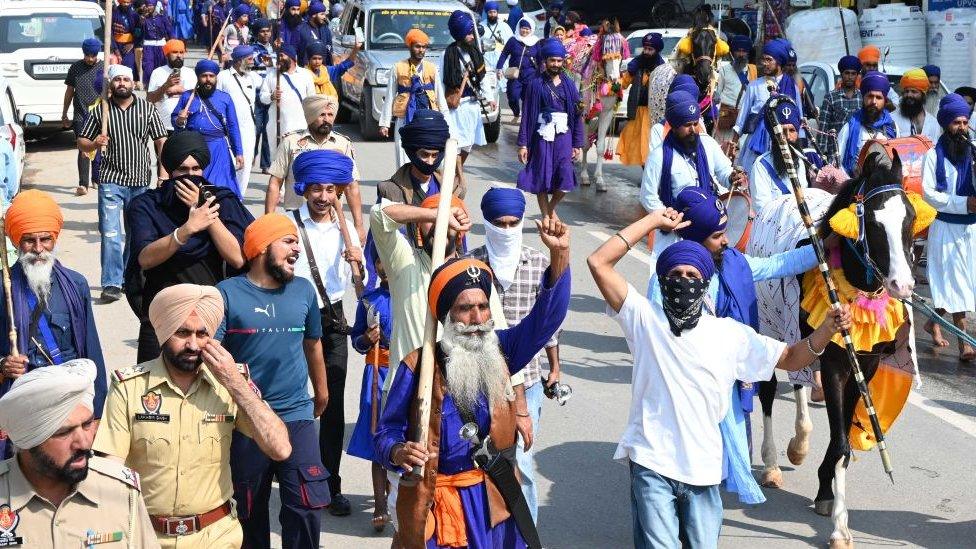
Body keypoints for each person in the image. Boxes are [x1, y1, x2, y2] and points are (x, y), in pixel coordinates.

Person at [589, 220, 850, 548]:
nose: (683, 282)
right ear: (663, 281)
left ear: (705, 284)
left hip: (703, 471)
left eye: (692, 277)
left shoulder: (729, 334)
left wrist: (827, 329)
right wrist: (654, 220)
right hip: (651, 464)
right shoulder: (645, 320)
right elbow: (599, 262)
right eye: (675, 276)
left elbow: (791, 357)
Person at [376, 216, 571, 548]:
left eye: (483, 307)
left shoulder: (503, 350)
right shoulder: (419, 365)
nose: (478, 318)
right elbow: (385, 433)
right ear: (447, 315)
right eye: (465, 309)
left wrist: (560, 256)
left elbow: (548, 318)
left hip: (494, 498)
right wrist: (397, 450)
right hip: (437, 504)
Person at [93, 284, 291, 547]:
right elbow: (110, 471)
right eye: (183, 332)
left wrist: (235, 382)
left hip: (216, 537)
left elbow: (280, 448)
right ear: (164, 333)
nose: (193, 344)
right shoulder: (129, 387)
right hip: (146, 536)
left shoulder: (231, 383)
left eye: (202, 334)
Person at [217, 213, 332, 547]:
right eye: (289, 240)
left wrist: (322, 392)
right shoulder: (227, 293)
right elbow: (213, 353)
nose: (296, 248)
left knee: (306, 505)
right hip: (246, 420)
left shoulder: (304, 291)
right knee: (248, 508)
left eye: (297, 241)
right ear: (260, 248)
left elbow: (313, 343)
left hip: (296, 414)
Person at [466, 187, 563, 524]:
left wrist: (555, 366)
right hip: (478, 381)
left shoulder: (537, 263)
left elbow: (549, 320)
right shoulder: (471, 265)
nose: (506, 230)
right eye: (499, 223)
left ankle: (526, 536)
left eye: (513, 223)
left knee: (521, 463)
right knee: (478, 462)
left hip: (529, 379)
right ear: (487, 223)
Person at [0, 359, 160, 547]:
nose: (84, 443)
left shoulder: (121, 491)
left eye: (87, 425)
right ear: (28, 439)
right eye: (64, 432)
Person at [126, 131, 252, 362]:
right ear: (171, 171)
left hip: (209, 316)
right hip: (162, 316)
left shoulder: (222, 200)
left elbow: (237, 258)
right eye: (183, 171)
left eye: (196, 170)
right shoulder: (148, 205)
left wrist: (206, 213)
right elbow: (144, 258)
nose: (190, 176)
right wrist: (186, 230)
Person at [0, 190, 108, 458]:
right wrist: (2, 365)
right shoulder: (3, 290)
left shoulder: (76, 285)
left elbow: (91, 354)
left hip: (70, 405)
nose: (38, 249)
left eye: (45, 239)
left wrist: (96, 416)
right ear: (16, 242)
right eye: (28, 241)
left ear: (55, 238)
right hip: (25, 408)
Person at [289, 150, 363, 517]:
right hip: (294, 319)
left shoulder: (346, 231)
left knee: (331, 405)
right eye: (316, 188)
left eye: (330, 189)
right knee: (294, 401)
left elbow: (362, 288)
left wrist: (357, 263)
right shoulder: (287, 224)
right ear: (304, 189)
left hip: (333, 321)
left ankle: (330, 484)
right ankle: (293, 474)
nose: (322, 196)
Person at [77, 64, 168, 303]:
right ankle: (111, 283)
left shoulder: (148, 110)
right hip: (110, 180)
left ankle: (129, 277)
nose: (122, 84)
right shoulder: (101, 112)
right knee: (111, 232)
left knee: (135, 233)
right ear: (110, 83)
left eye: (125, 80)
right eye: (116, 80)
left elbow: (161, 142)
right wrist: (95, 143)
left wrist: (164, 172)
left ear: (133, 83)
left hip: (140, 181)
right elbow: (82, 142)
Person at [641, 91, 746, 257]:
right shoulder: (659, 156)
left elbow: (724, 172)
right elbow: (647, 196)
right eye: (687, 125)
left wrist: (732, 177)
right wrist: (668, 217)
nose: (693, 130)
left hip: (708, 231)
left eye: (695, 123)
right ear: (674, 126)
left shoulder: (708, 144)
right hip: (676, 234)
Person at [921, 94, 976, 361]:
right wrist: (963, 203)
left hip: (971, 230)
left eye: (965, 122)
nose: (962, 127)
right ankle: (964, 342)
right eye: (957, 122)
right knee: (956, 285)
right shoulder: (932, 156)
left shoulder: (973, 151)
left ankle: (933, 322)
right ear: (946, 124)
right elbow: (929, 195)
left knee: (964, 284)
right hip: (946, 228)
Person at [266, 95, 366, 239]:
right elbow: (275, 183)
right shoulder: (291, 142)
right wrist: (269, 221)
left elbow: (351, 186)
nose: (326, 119)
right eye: (321, 115)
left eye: (330, 115)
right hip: (297, 217)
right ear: (310, 116)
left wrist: (359, 225)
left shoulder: (343, 144)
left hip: (331, 219)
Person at [347, 251, 392, 531]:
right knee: (378, 435)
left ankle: (401, 496)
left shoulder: (415, 293)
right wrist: (366, 337)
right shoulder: (368, 300)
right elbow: (356, 341)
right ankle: (379, 503)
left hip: (405, 373)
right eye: (380, 260)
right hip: (376, 371)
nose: (385, 265)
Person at [516, 38, 583, 218]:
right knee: (541, 176)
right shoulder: (535, 84)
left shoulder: (569, 85)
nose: (555, 64)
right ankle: (546, 217)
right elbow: (527, 115)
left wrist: (577, 144)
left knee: (565, 177)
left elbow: (577, 115)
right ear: (545, 61)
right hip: (541, 135)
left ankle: (550, 209)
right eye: (552, 60)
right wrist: (523, 144)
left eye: (559, 61)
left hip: (563, 135)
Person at [728, 38, 803, 173]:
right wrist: (733, 144)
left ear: (779, 62)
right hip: (758, 143)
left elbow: (799, 119)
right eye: (763, 59)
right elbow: (741, 119)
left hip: (784, 142)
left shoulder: (792, 86)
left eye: (769, 60)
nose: (764, 64)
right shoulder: (754, 86)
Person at [173, 60, 245, 197]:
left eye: (211, 76)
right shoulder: (187, 97)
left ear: (216, 78)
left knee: (220, 188)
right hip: (195, 149)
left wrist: (239, 152)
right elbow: (176, 121)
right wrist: (180, 120)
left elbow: (233, 126)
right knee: (196, 188)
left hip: (219, 149)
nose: (208, 80)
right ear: (198, 78)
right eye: (204, 76)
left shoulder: (225, 98)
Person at [379, 29, 448, 168]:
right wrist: (384, 123)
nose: (421, 50)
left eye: (423, 47)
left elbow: (440, 96)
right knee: (403, 152)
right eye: (417, 46)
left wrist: (446, 122)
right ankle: (404, 183)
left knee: (426, 152)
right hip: (405, 117)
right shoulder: (397, 67)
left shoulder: (432, 68)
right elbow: (390, 96)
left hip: (427, 118)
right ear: (410, 47)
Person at [443, 10, 494, 166]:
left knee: (469, 144)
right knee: (456, 144)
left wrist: (490, 98)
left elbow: (482, 77)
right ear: (460, 34)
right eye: (469, 33)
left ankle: (457, 174)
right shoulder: (448, 54)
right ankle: (456, 176)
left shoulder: (474, 53)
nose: (473, 37)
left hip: (473, 106)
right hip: (456, 109)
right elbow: (442, 82)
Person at [749, 100, 813, 212]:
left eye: (792, 130)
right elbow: (762, 209)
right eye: (783, 131)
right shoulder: (761, 166)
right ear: (774, 135)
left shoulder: (802, 161)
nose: (788, 137)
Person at [217, 45, 262, 197]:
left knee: (246, 165)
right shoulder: (223, 77)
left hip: (248, 129)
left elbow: (269, 82)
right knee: (229, 164)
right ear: (239, 60)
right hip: (227, 128)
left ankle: (238, 199)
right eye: (249, 59)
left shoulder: (253, 77)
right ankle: (226, 197)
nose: (252, 62)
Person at [62, 38, 103, 196]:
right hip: (80, 114)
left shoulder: (103, 67)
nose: (90, 58)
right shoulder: (75, 68)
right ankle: (83, 184)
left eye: (93, 55)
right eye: (87, 55)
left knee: (99, 147)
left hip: (99, 114)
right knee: (83, 148)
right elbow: (69, 92)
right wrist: (64, 113)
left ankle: (97, 178)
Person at [617, 33, 666, 168]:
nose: (647, 52)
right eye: (645, 49)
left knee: (649, 144)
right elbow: (623, 83)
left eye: (650, 50)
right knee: (635, 144)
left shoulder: (662, 69)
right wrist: (612, 87)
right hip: (637, 112)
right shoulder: (635, 66)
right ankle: (647, 172)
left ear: (657, 51)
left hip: (653, 113)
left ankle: (650, 173)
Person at [837, 71, 898, 176]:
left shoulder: (892, 127)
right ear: (863, 98)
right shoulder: (849, 128)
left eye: (878, 98)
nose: (873, 101)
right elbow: (839, 165)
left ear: (885, 101)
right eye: (870, 96)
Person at [259, 45, 316, 143]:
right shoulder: (272, 75)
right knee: (276, 157)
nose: (279, 59)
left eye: (281, 55)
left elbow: (312, 100)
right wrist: (271, 96)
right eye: (278, 56)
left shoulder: (305, 75)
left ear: (292, 58)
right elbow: (262, 97)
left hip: (299, 126)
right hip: (276, 128)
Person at [815, 55, 862, 159]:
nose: (850, 77)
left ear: (857, 75)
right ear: (841, 74)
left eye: (853, 74)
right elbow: (823, 128)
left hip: (857, 152)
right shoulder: (831, 97)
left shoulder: (862, 97)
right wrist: (820, 156)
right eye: (847, 73)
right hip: (836, 152)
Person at [147, 39, 198, 135]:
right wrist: (166, 86)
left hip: (186, 126)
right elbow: (150, 100)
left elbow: (197, 99)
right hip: (163, 127)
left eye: (181, 52)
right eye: (174, 52)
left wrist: (182, 91)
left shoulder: (190, 73)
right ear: (167, 54)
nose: (179, 55)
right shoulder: (158, 72)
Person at [495, 18, 540, 125]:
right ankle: (516, 112)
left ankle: (525, 120)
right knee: (512, 96)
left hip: (530, 74)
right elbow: (504, 54)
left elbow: (540, 57)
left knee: (527, 99)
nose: (524, 31)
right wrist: (499, 68)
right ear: (519, 28)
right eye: (523, 28)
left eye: (527, 29)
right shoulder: (513, 40)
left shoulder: (535, 42)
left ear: (531, 30)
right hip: (514, 74)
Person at [714, 35, 756, 144]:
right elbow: (717, 94)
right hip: (727, 116)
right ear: (733, 52)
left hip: (744, 117)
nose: (741, 54)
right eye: (738, 51)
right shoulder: (724, 70)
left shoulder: (753, 70)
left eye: (744, 51)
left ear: (748, 52)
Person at [252, 18, 276, 174]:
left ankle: (266, 164)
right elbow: (258, 62)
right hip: (257, 93)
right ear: (257, 33)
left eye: (268, 30)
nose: (265, 34)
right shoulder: (252, 49)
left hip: (271, 93)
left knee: (268, 129)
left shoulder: (275, 48)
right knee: (256, 128)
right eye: (262, 31)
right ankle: (250, 157)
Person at [892, 68, 941, 142]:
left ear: (923, 95)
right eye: (906, 91)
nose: (909, 95)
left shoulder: (933, 123)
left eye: (914, 91)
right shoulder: (892, 119)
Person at [137, 0, 174, 88]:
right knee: (148, 68)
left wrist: (174, 44)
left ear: (155, 6)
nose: (149, 7)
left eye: (151, 5)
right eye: (147, 5)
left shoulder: (162, 18)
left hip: (161, 46)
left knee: (162, 67)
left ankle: (162, 86)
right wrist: (140, 24)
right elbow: (138, 34)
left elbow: (170, 31)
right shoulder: (143, 19)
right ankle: (149, 87)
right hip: (148, 47)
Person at [113, 0, 141, 84]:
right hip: (116, 45)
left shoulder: (134, 15)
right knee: (116, 70)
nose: (126, 4)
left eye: (128, 3)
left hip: (129, 46)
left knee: (129, 66)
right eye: (124, 2)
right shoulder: (113, 14)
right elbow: (110, 34)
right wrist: (116, 51)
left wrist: (132, 43)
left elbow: (138, 31)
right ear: (120, 2)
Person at [298, 1, 333, 67]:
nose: (325, 17)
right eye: (322, 14)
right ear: (314, 15)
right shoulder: (302, 29)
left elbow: (329, 50)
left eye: (324, 14)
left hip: (322, 70)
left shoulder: (325, 29)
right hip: (307, 70)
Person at [481, 1, 513, 71]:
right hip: (487, 64)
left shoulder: (505, 26)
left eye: (494, 12)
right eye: (490, 12)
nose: (492, 14)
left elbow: (511, 44)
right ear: (487, 13)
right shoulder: (481, 26)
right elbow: (479, 45)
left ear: (497, 13)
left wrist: (490, 45)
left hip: (503, 64)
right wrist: (497, 45)